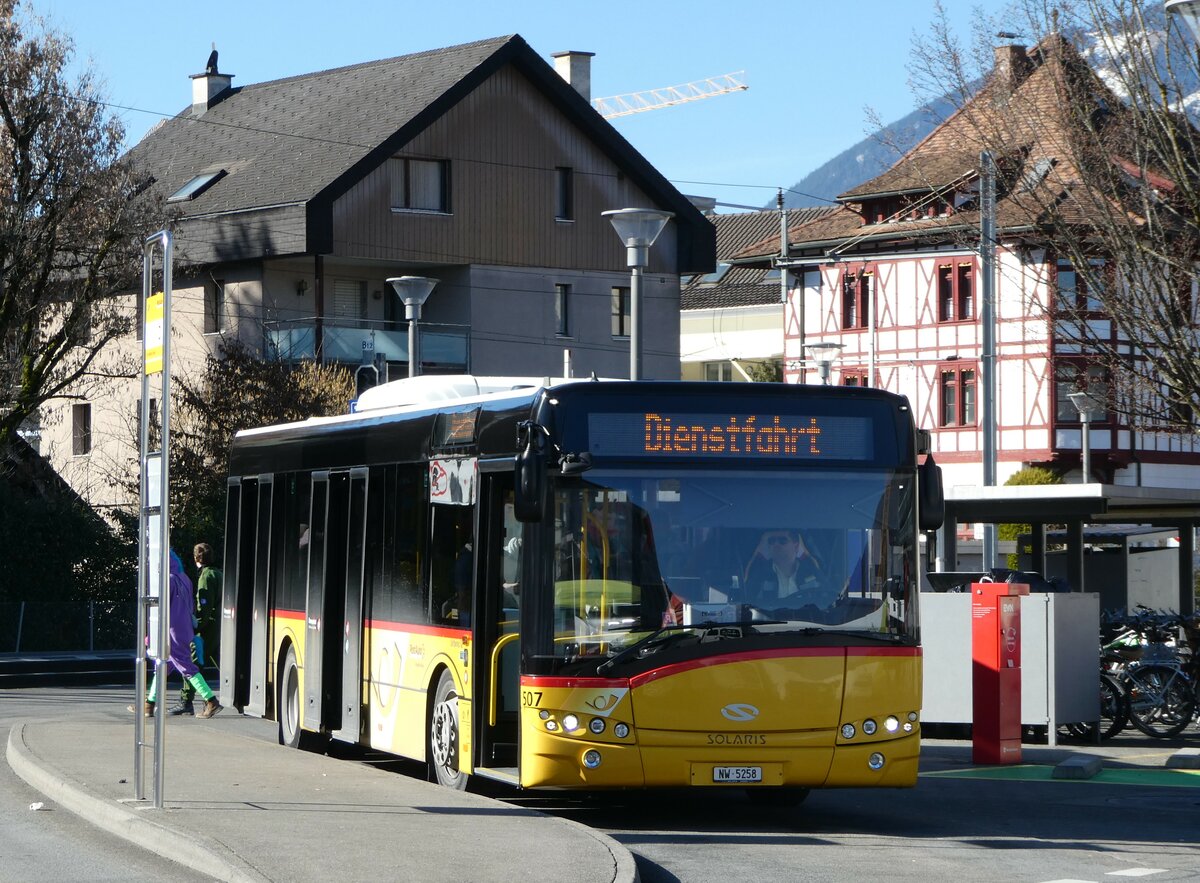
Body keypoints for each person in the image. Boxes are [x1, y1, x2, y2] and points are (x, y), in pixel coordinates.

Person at [130, 549, 223, 719]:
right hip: (185, 629)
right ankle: (149, 704)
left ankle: (210, 700)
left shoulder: (167, 581)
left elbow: (161, 610)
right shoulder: (185, 578)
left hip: (171, 631)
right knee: (163, 667)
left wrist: (152, 635)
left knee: (186, 667)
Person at [168, 542, 222, 715]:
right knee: (218, 660)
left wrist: (196, 623)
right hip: (218, 625)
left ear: (196, 558)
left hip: (207, 628)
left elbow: (204, 605)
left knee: (191, 662)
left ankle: (187, 700)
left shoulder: (206, 576)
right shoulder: (219, 573)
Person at [743, 529, 823, 610]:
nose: (776, 544)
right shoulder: (759, 574)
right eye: (772, 541)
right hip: (770, 621)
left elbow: (826, 599)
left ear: (796, 546)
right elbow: (747, 603)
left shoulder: (812, 572)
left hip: (810, 621)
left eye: (782, 541)